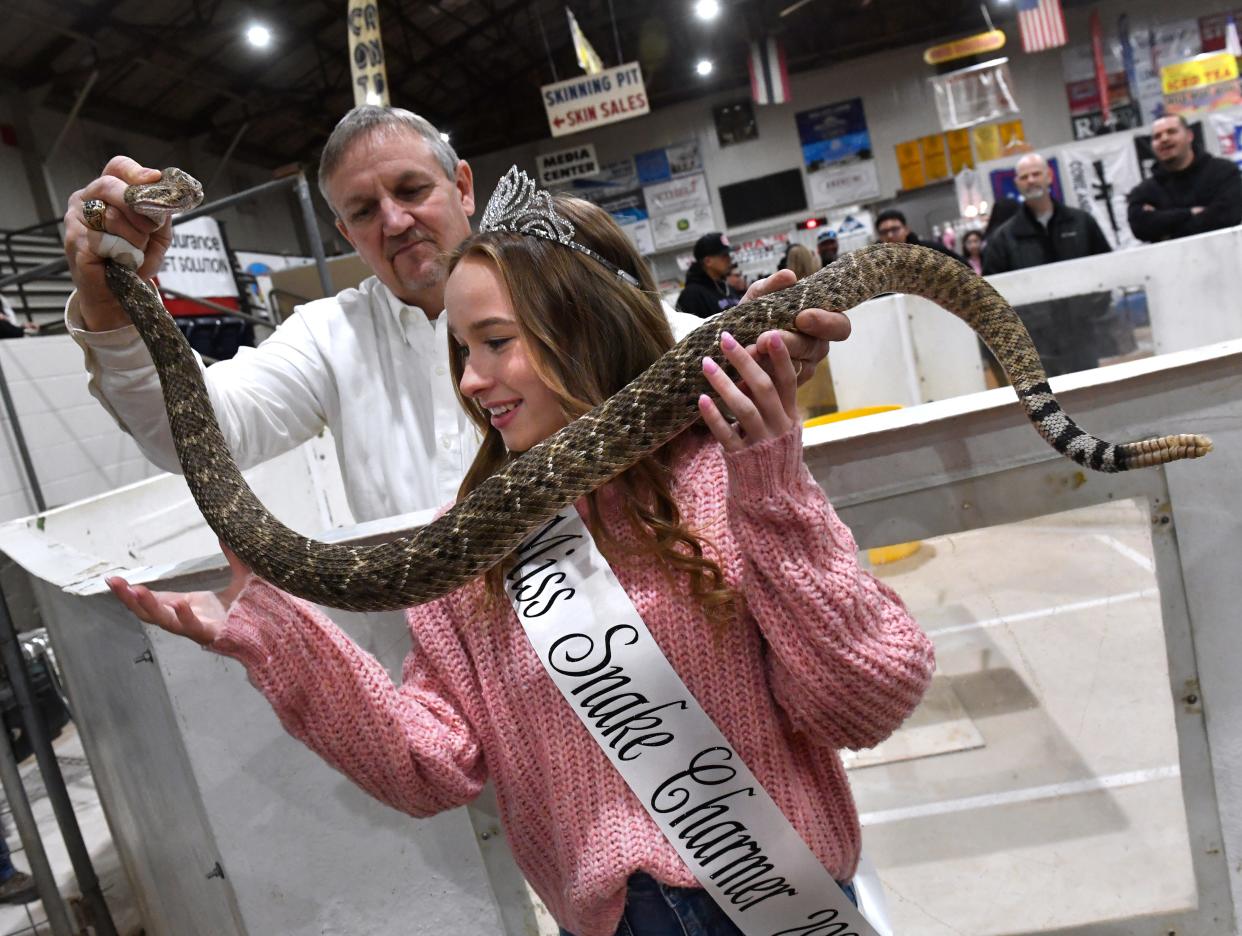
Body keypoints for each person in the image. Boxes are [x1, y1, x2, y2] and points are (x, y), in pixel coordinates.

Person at [106, 179, 935, 936]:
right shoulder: (468, 544)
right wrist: (279, 634)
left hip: (790, 908)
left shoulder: (726, 473)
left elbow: (868, 703)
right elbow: (430, 768)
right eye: (462, 350)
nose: (471, 380)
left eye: (495, 342)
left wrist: (774, 488)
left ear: (585, 333)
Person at [63, 106, 848, 524]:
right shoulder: (327, 338)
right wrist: (107, 300)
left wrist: (749, 349)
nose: (395, 222)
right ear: (343, 232)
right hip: (459, 680)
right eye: (364, 210)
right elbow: (194, 435)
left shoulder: (563, 281)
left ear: (463, 185)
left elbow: (672, 350)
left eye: (411, 191)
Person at [983, 153, 1115, 377]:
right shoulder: (1004, 239)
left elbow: (1106, 269)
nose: (1031, 180)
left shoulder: (1082, 222)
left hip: (1082, 338)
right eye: (1024, 177)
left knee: (1091, 397)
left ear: (1049, 176)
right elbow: (993, 293)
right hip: (1036, 347)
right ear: (1017, 184)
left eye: (1036, 174)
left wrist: (1090, 310)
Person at [1127, 114, 1242, 243]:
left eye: (1172, 132)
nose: (1164, 139)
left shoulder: (1223, 172)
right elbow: (1140, 227)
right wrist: (1189, 213)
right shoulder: (1144, 191)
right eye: (1157, 136)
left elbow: (1229, 216)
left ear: (1189, 136)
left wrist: (1168, 233)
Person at [675, 232, 739, 318]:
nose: (729, 259)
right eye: (724, 255)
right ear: (708, 261)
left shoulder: (726, 288)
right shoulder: (692, 295)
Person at [874, 209, 966, 265]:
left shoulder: (932, 250)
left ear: (906, 229)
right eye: (884, 232)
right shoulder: (876, 262)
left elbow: (964, 266)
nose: (890, 235)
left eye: (895, 229)